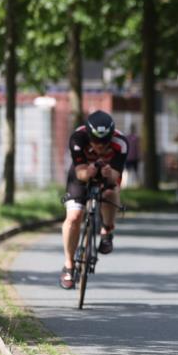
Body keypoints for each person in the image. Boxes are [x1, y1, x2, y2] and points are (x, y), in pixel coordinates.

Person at [59, 110, 127, 289]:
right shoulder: (77, 138)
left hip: (107, 175)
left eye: (105, 143)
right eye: (96, 142)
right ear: (89, 136)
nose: (100, 147)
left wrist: (108, 173)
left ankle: (107, 230)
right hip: (81, 174)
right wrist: (88, 172)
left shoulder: (121, 143)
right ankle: (69, 265)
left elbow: (116, 176)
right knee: (74, 217)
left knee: (110, 194)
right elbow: (79, 173)